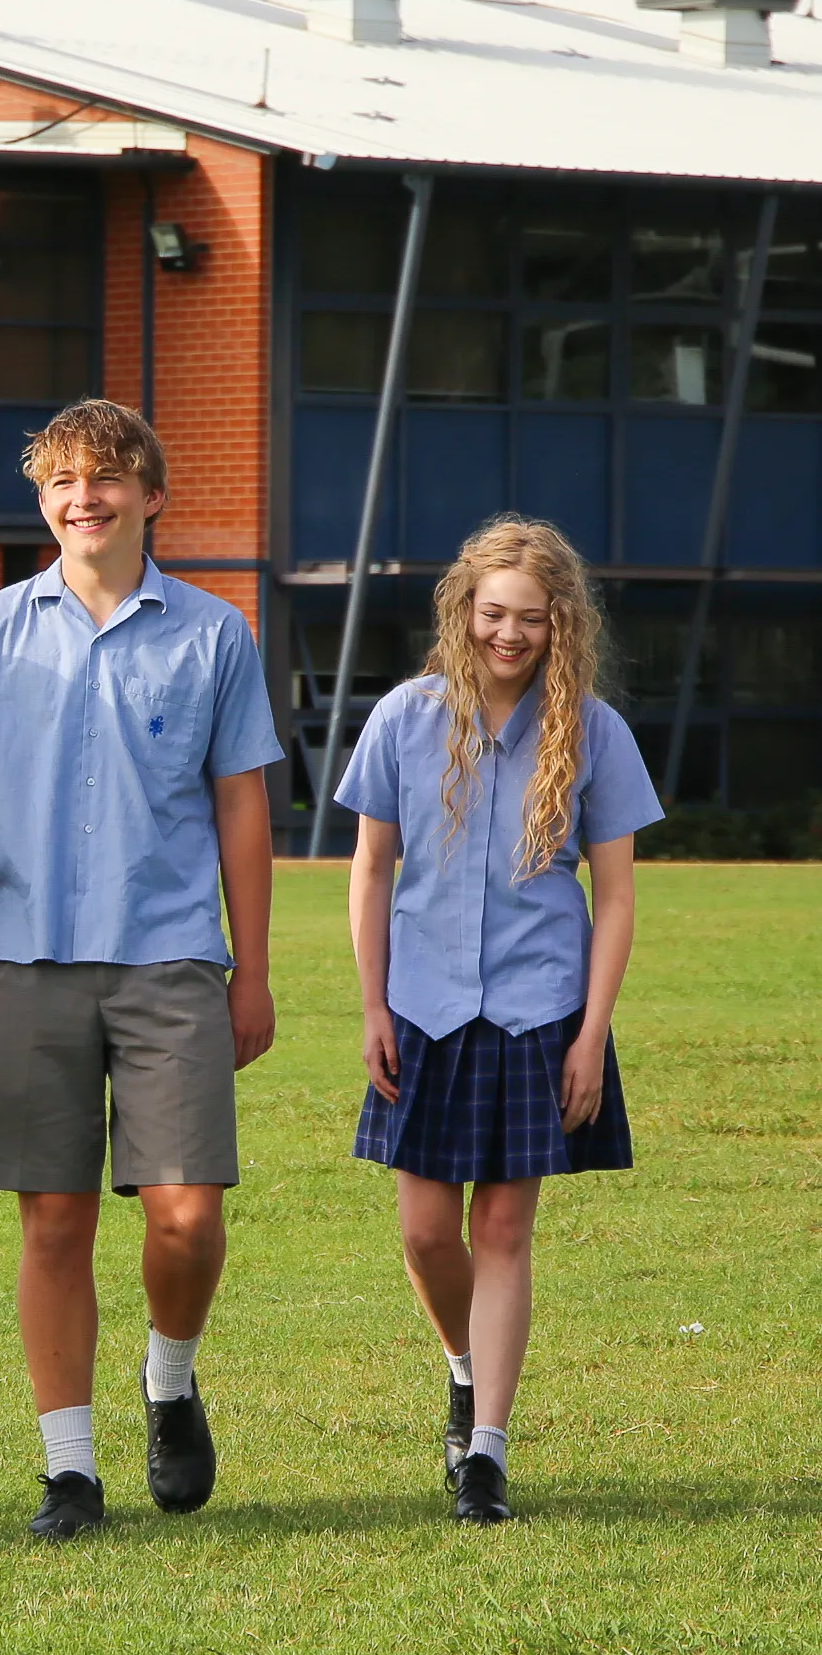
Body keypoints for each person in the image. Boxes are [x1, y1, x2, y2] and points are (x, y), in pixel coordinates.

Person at [0, 400, 281, 1541]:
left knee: (184, 1214)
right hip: (26, 961)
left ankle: (167, 1381)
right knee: (51, 1225)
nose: (85, 498)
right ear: (43, 500)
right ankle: (67, 1471)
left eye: (107, 479)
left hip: (171, 957)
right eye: (64, 481)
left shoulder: (214, 635)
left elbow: (241, 806)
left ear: (150, 497)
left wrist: (253, 967)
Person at [337, 516, 661, 1524]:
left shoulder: (593, 733)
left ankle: (484, 1452)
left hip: (538, 1010)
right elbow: (368, 869)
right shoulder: (402, 717)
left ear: (558, 623)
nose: (507, 635)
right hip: (422, 1010)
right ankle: (462, 1366)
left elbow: (612, 896)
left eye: (528, 618)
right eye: (491, 614)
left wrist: (588, 1034)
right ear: (462, 610)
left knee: (505, 1228)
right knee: (426, 1231)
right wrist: (370, 1005)